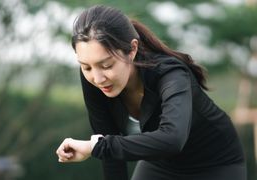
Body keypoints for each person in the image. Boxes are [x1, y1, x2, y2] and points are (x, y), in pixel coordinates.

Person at [55, 5, 247, 180]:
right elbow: (108, 145)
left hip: (215, 165)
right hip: (160, 166)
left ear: (132, 50)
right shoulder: (96, 79)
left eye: (106, 65)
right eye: (86, 67)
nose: (97, 78)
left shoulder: (171, 75)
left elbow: (172, 139)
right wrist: (100, 146)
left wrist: (95, 147)